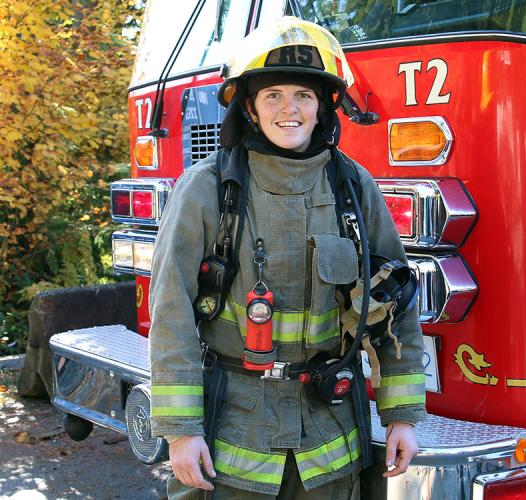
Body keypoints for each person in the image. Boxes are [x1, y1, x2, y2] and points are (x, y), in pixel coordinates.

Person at [149, 16, 426, 500]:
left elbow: (393, 305)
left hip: (331, 439)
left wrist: (401, 417)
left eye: (303, 95)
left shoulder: (353, 188)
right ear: (251, 109)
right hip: (232, 436)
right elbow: (170, 309)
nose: (289, 109)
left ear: (323, 107)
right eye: (273, 95)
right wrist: (181, 431)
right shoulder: (208, 187)